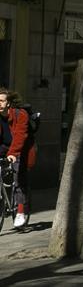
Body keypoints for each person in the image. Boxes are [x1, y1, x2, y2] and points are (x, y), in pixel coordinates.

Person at [0, 88, 35, 229]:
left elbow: (20, 136)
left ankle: (20, 211)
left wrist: (13, 154)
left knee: (18, 178)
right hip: (3, 147)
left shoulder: (20, 115)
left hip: (21, 149)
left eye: (1, 100)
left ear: (9, 103)